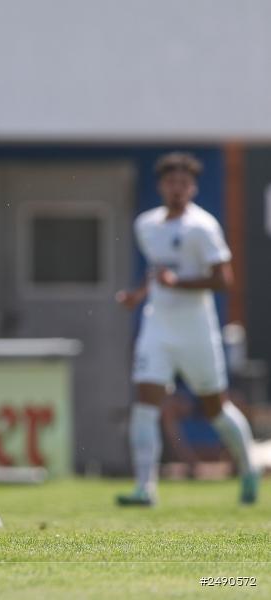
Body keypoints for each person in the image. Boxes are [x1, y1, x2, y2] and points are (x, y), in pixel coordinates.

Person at [115, 152, 259, 506]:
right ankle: (145, 488)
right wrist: (138, 295)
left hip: (196, 330)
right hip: (158, 327)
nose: (177, 189)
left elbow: (224, 280)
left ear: (193, 187)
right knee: (145, 404)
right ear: (161, 186)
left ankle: (249, 467)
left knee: (215, 409)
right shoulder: (147, 224)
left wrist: (177, 283)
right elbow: (157, 272)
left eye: (183, 183)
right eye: (170, 182)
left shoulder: (203, 227)